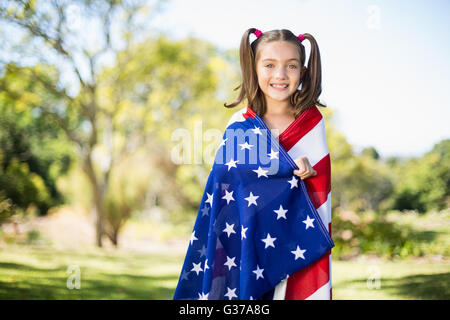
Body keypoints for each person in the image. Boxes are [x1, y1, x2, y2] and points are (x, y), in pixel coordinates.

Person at [223, 28, 333, 300]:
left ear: (304, 71)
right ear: (254, 68)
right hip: (250, 246)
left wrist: (308, 173)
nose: (280, 75)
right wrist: (278, 169)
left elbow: (320, 190)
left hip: (294, 245)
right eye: (269, 65)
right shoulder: (240, 124)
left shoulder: (311, 124)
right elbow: (229, 184)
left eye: (291, 66)